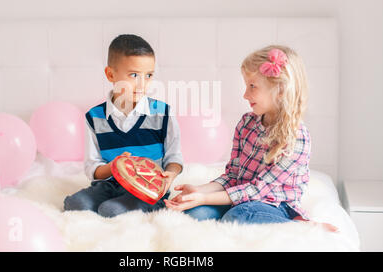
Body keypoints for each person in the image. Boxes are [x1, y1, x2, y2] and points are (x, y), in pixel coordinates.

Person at [165, 45, 338, 232]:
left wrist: (206, 198)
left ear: (280, 90)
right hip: (237, 196)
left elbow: (259, 190)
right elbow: (233, 175)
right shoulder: (247, 123)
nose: (245, 94)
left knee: (239, 216)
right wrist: (200, 191)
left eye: (252, 86)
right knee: (195, 215)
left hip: (273, 205)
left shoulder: (296, 138)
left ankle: (300, 226)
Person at [64, 34, 183, 217]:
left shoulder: (162, 113)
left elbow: (174, 158)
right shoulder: (94, 117)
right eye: (134, 75)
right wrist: (115, 166)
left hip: (147, 187)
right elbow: (93, 168)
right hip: (109, 184)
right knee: (75, 203)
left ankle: (147, 206)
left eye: (149, 75)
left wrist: (170, 175)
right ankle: (115, 202)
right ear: (111, 74)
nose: (142, 84)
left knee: (111, 210)